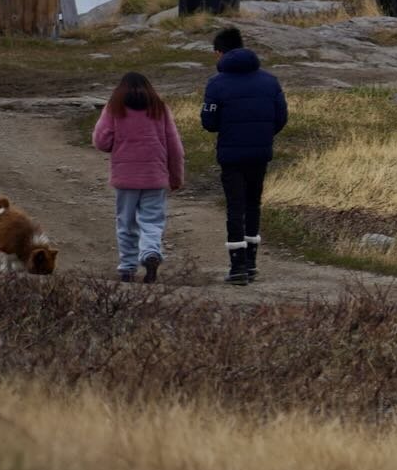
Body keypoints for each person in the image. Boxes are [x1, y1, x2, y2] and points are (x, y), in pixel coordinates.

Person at [201, 26, 288, 286]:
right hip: (260, 153)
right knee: (253, 205)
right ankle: (251, 263)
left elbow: (209, 122)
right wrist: (263, 134)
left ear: (219, 52)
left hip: (231, 155)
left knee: (234, 207)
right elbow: (281, 118)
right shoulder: (270, 80)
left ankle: (237, 267)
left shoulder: (216, 84)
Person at [92, 71, 184, 283]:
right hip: (155, 176)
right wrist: (176, 177)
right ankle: (150, 252)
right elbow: (175, 147)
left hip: (125, 177)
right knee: (152, 221)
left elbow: (101, 141)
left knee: (126, 223)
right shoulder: (159, 107)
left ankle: (127, 268)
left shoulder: (114, 107)